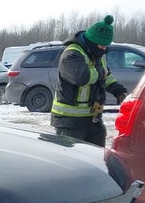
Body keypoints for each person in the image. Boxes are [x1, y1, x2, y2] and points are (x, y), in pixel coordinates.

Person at [50, 15, 128, 147]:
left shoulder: (97, 54)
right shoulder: (72, 53)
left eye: (105, 46)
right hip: (69, 121)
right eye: (101, 46)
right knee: (71, 161)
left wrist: (118, 91)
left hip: (92, 119)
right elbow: (81, 77)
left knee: (96, 157)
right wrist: (101, 72)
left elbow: (106, 76)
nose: (104, 49)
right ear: (92, 41)